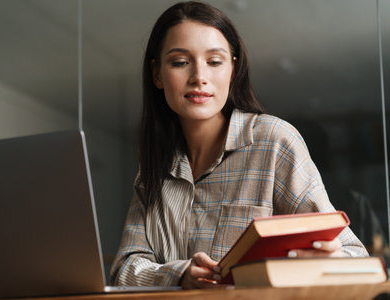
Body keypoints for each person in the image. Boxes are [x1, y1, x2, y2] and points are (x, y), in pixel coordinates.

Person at [110, 1, 368, 289]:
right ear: (157, 74)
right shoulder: (154, 169)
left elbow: (353, 255)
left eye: (215, 61)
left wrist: (328, 260)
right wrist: (180, 274)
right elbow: (124, 270)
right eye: (180, 62)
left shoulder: (273, 141)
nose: (199, 77)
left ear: (233, 70)